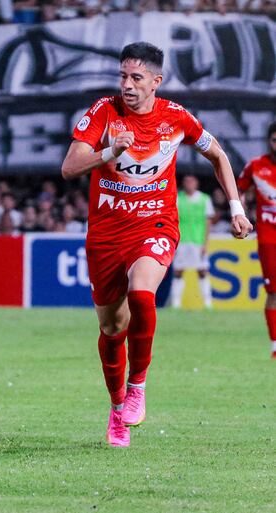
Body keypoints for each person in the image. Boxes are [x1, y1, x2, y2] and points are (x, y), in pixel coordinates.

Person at [61, 42, 252, 447]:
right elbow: (70, 167)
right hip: (106, 235)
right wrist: (112, 150)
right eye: (122, 76)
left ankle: (138, 387)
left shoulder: (176, 118)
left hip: (156, 224)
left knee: (143, 293)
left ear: (155, 82)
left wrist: (236, 207)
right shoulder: (103, 112)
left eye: (136, 78)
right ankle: (116, 410)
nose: (127, 85)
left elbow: (218, 156)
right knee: (112, 327)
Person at [237, 121, 276, 358]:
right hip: (269, 238)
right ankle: (275, 345)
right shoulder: (256, 166)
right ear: (269, 141)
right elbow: (238, 190)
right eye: (274, 139)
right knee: (273, 293)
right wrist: (240, 212)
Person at [171, 174, 215, 309]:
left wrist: (205, 243)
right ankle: (176, 304)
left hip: (197, 241)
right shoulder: (177, 198)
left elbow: (208, 222)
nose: (189, 183)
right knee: (178, 271)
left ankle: (208, 304)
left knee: (202, 271)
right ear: (184, 183)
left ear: (196, 183)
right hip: (182, 240)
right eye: (187, 181)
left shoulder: (204, 199)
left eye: (192, 181)